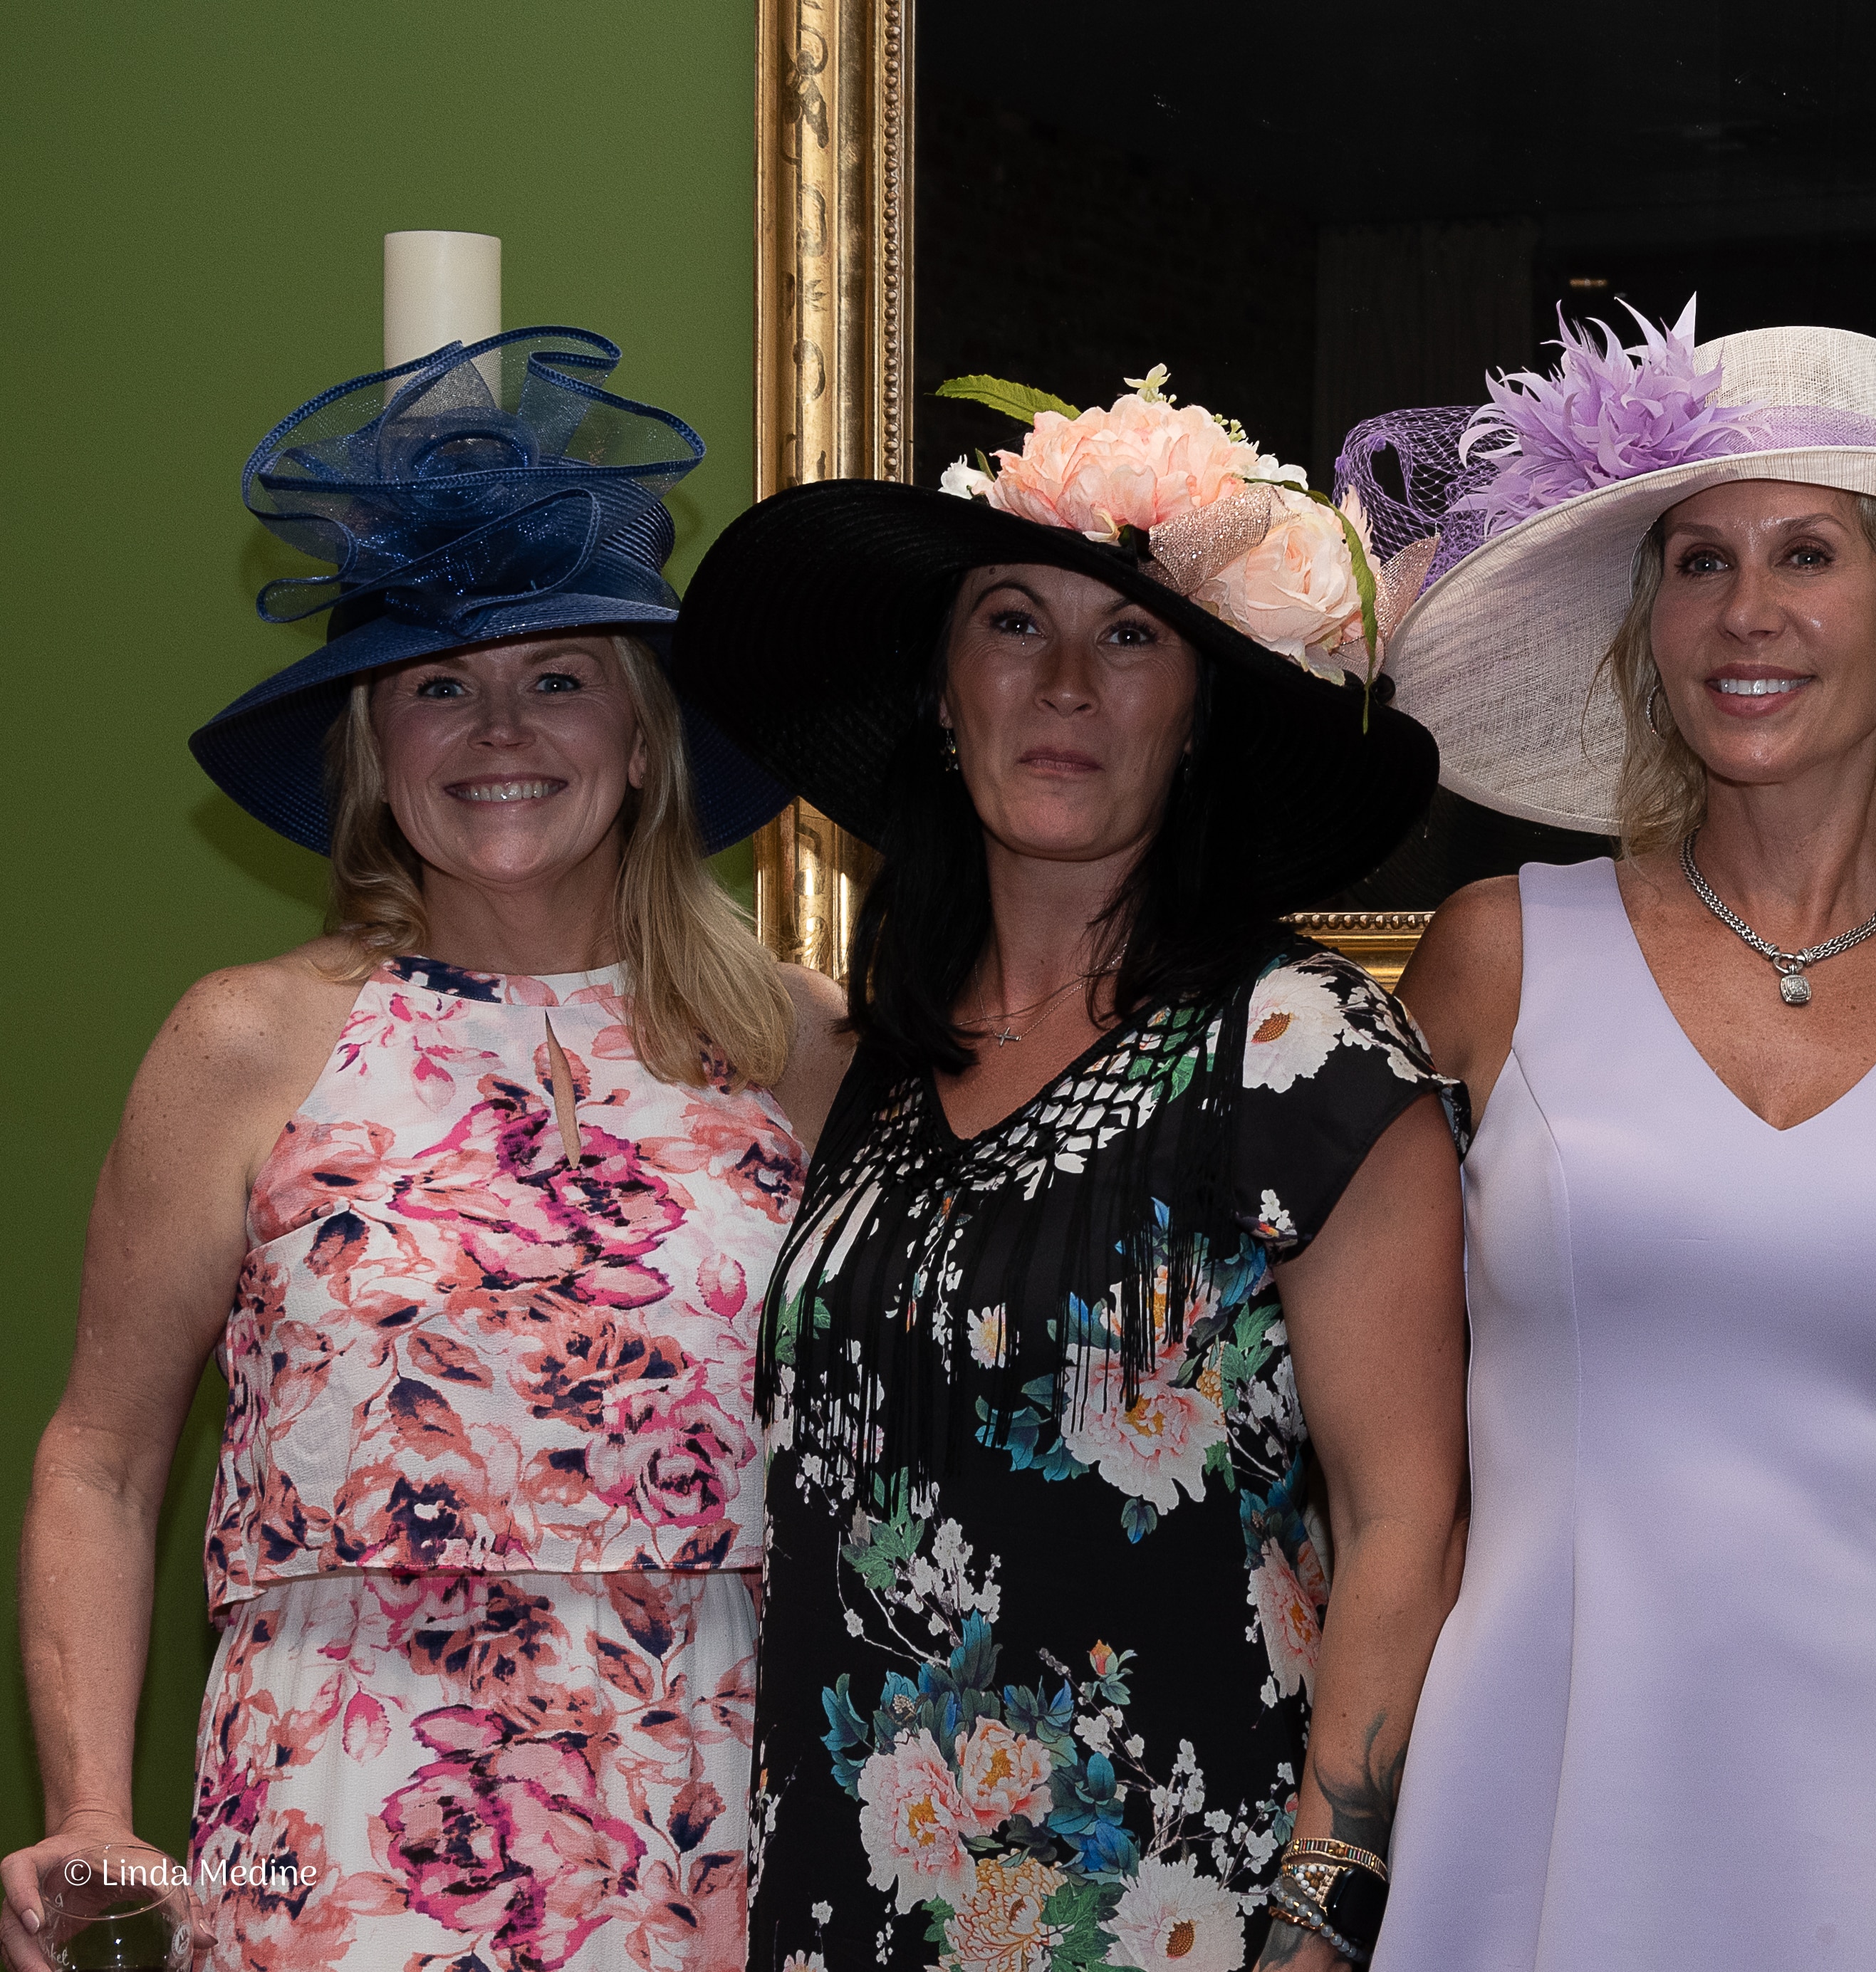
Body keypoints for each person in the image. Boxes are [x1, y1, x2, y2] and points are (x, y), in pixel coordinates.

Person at [1348, 307, 1876, 1970]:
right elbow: (1360, 1441)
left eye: (1807, 553)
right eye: (1699, 561)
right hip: (1547, 1784)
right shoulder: (1494, 953)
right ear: (1650, 635)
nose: (1747, 609)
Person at [4, 330, 848, 1971]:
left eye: (558, 676)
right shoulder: (246, 1042)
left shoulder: (801, 1045)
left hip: (724, 1832)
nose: (496, 729)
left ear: (645, 735)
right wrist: (91, 1804)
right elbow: (99, 1457)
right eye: (439, 685)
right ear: (372, 747)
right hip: (341, 1834)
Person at [670, 365, 1469, 1972]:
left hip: (1178, 1906)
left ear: (1200, 715)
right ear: (941, 693)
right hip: (846, 1896)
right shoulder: (869, 1069)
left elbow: (1407, 1518)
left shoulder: (1300, 1048)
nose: (1064, 684)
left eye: (1130, 639)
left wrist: (1321, 1913)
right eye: (1012, 623)